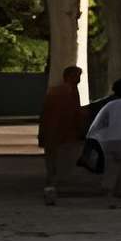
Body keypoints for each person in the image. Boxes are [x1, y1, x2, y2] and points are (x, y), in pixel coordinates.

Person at [86, 78, 121, 209]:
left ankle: (108, 199)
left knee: (110, 169)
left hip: (109, 141)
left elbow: (98, 124)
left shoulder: (109, 105)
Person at [37, 68, 84, 206]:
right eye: (77, 76)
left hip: (54, 135)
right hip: (63, 136)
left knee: (53, 166)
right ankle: (52, 190)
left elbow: (45, 115)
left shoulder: (55, 92)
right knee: (60, 166)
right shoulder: (67, 92)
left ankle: (50, 190)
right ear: (69, 76)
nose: (79, 79)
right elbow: (73, 115)